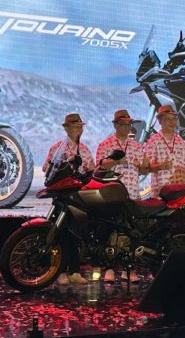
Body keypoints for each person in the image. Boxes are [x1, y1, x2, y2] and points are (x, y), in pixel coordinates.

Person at [43, 113, 95, 285]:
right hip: (61, 195)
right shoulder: (57, 148)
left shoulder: (85, 149)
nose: (79, 129)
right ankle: (59, 271)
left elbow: (91, 169)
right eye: (75, 126)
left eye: (80, 127)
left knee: (75, 233)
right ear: (66, 128)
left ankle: (74, 271)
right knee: (59, 234)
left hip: (77, 196)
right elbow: (46, 168)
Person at [96, 109, 145, 283]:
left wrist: (142, 166)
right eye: (123, 124)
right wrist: (116, 161)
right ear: (115, 125)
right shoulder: (106, 144)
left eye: (129, 124)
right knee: (111, 231)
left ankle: (128, 269)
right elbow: (99, 167)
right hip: (112, 194)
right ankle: (109, 268)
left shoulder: (136, 146)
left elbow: (143, 168)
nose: (126, 127)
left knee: (131, 232)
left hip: (132, 193)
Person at [143, 104, 185, 199]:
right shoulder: (153, 141)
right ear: (160, 121)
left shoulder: (180, 141)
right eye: (168, 119)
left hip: (180, 193)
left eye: (174, 119)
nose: (172, 122)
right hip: (161, 195)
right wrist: (160, 166)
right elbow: (144, 169)